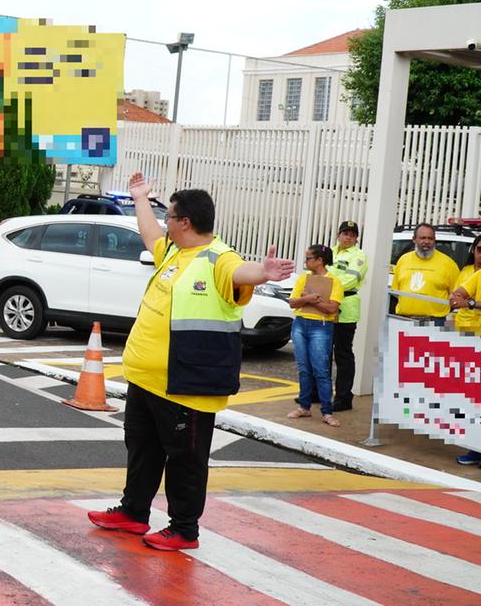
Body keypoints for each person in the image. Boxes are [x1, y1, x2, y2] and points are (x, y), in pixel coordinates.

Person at [87, 173, 294, 551]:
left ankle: (184, 528)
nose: (165, 221)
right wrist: (140, 199)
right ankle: (134, 513)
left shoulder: (218, 257)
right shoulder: (173, 251)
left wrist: (262, 272)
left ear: (185, 222)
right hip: (147, 380)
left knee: (185, 460)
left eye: (170, 216)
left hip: (187, 383)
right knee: (142, 450)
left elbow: (238, 272)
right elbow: (150, 235)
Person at [287, 244, 343, 427]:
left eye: (309, 258)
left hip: (321, 325)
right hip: (301, 324)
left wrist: (311, 300)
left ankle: (327, 411)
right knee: (304, 368)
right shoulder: (303, 278)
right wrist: (309, 299)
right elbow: (293, 302)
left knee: (321, 370)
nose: (306, 262)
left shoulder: (334, 281)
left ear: (319, 260)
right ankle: (304, 406)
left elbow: (332, 309)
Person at [328, 220, 367, 411]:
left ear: (356, 238)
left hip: (345, 309)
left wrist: (327, 289)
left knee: (342, 355)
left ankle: (343, 398)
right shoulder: (329, 252)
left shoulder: (359, 256)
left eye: (352, 235)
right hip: (325, 306)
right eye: (345, 233)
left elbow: (352, 279)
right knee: (322, 354)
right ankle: (319, 394)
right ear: (338, 234)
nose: (348, 237)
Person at [447, 254, 481, 466]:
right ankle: (477, 448)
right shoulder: (478, 275)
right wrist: (462, 298)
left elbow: (465, 301)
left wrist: (470, 303)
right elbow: (456, 295)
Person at [392, 223, 459, 326]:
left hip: (434, 322)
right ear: (414, 239)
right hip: (404, 321)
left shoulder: (448, 264)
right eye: (422, 238)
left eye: (430, 238)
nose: (426, 242)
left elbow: (456, 297)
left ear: (434, 240)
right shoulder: (403, 260)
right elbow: (396, 291)